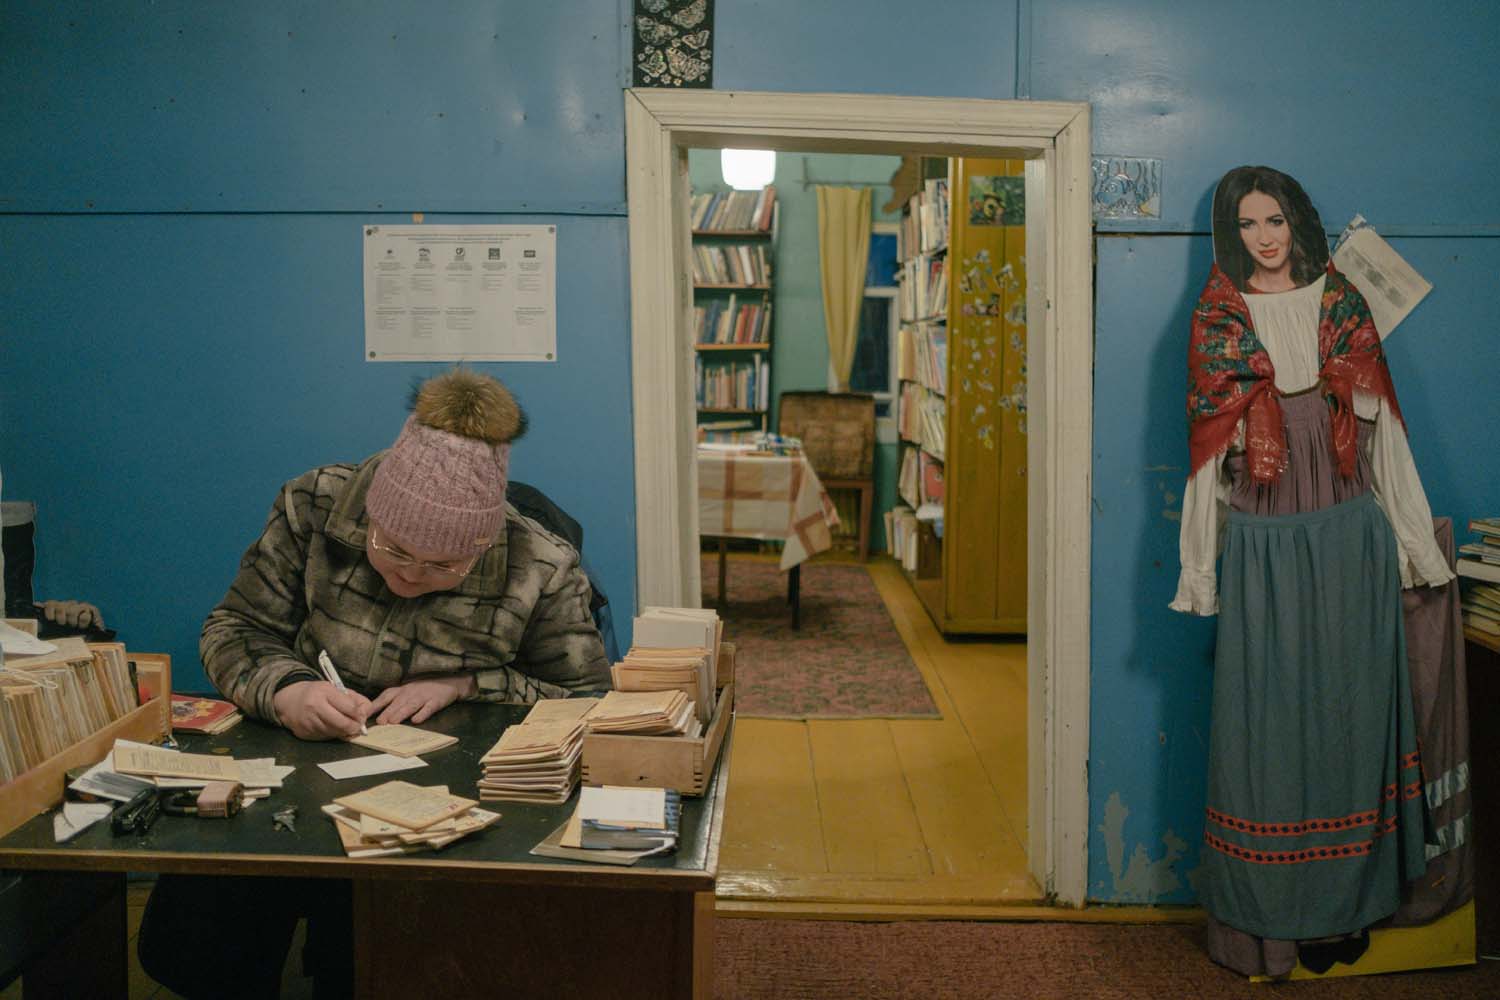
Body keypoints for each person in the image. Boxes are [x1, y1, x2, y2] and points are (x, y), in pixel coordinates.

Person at [139, 368, 611, 998]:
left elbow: (587, 699)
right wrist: (287, 690)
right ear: (370, 518)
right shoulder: (312, 504)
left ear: (483, 545)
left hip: (448, 797)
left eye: (444, 565)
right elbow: (234, 628)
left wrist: (469, 682)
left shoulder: (542, 565)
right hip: (291, 770)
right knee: (204, 942)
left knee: (385, 959)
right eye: (392, 551)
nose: (410, 577)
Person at [1170, 165, 1454, 977]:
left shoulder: (1342, 305)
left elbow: (1384, 435)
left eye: (1277, 220)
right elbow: (1202, 465)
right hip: (1262, 540)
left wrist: (1412, 545)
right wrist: (1202, 573)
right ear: (1233, 232)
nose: (1265, 237)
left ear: (1297, 223)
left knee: (1351, 717)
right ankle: (1270, 926)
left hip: (1348, 536)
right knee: (1266, 730)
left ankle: (1348, 910)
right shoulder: (1216, 320)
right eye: (1249, 223)